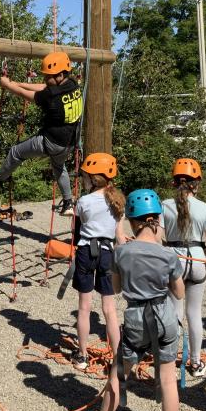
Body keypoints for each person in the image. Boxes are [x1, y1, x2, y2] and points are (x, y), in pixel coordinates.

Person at [81, 189, 184, 411]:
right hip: (164, 316)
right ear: (156, 219)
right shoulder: (168, 255)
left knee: (119, 374)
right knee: (168, 379)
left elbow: (116, 288)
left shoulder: (121, 252)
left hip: (137, 316)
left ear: (133, 221)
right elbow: (179, 293)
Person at [0, 51, 82, 216]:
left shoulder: (51, 97)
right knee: (59, 167)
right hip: (69, 143)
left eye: (48, 76)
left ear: (60, 75)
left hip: (51, 141)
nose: (45, 79)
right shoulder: (72, 84)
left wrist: (7, 85)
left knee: (16, 152)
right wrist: (17, 83)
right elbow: (44, 88)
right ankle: (68, 203)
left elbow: (26, 95)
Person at [160, 158, 206, 378]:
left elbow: (158, 238)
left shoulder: (165, 205)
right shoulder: (204, 208)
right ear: (196, 183)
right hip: (198, 260)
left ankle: (169, 358)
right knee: (194, 313)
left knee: (175, 312)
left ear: (174, 182)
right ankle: (195, 362)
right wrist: (205, 252)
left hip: (174, 260)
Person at [70, 153, 127, 371]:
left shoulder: (83, 201)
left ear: (93, 178)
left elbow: (77, 228)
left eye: (85, 176)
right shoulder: (118, 201)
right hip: (106, 253)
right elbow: (120, 237)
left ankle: (82, 355)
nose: (84, 179)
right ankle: (117, 358)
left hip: (86, 251)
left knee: (84, 307)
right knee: (110, 309)